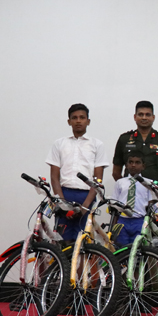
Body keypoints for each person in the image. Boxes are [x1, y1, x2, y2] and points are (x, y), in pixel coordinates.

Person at [45, 103, 109, 242]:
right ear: (69, 121)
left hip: (86, 195)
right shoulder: (59, 144)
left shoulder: (97, 145)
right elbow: (54, 177)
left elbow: (98, 180)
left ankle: (81, 265)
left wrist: (85, 207)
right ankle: (62, 264)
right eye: (74, 118)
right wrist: (62, 204)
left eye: (82, 117)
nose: (78, 121)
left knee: (83, 243)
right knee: (62, 241)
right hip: (64, 194)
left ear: (88, 121)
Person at [112, 100, 158, 186]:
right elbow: (116, 172)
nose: (144, 118)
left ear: (153, 117)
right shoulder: (124, 139)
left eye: (148, 115)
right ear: (135, 117)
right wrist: (124, 187)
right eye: (140, 114)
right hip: (130, 194)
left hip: (154, 193)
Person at [112, 152, 156, 246]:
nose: (133, 165)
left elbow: (151, 205)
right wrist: (113, 226)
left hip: (140, 220)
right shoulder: (120, 183)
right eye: (130, 162)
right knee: (120, 248)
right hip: (122, 220)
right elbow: (115, 205)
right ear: (126, 165)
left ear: (143, 166)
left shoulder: (148, 183)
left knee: (138, 249)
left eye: (137, 162)